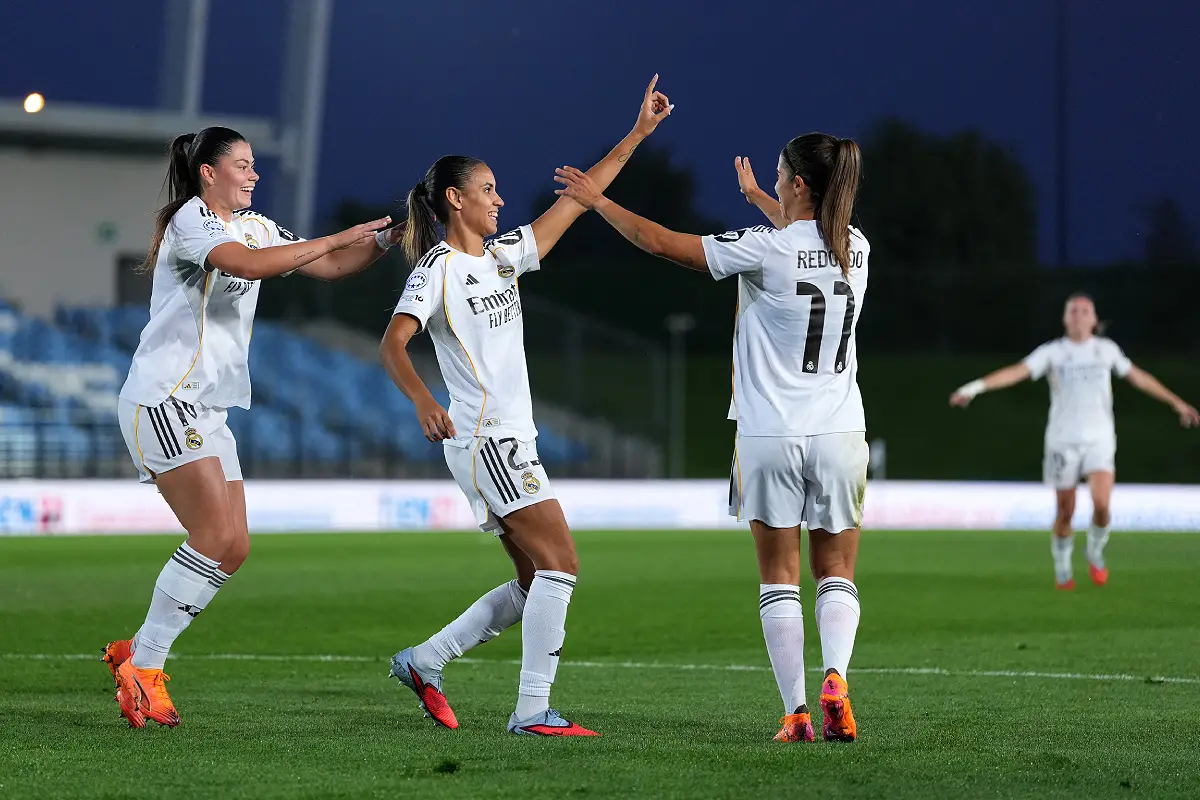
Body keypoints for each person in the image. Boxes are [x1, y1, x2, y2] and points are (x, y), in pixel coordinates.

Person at [379, 76, 672, 737]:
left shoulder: (507, 257)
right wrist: (425, 399)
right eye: (488, 190)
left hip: (510, 440)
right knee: (562, 564)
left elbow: (581, 200)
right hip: (489, 442)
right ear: (456, 199)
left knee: (535, 579)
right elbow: (394, 345)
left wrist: (638, 134)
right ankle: (533, 710)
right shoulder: (436, 270)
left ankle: (425, 661)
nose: (500, 199)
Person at [553, 135, 868, 744]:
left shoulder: (763, 251)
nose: (774, 182)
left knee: (779, 576)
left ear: (799, 184)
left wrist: (598, 202)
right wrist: (757, 199)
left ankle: (797, 713)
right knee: (837, 571)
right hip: (840, 430)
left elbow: (659, 242)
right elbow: (811, 237)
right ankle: (837, 678)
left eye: (779, 176)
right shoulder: (856, 248)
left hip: (768, 433)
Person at [103, 126, 401, 728]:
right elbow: (248, 266)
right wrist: (338, 234)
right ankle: (146, 668)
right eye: (241, 164)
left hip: (205, 408)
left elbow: (335, 265)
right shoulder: (194, 221)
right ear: (208, 173)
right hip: (163, 398)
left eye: (253, 165)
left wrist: (390, 237)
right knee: (214, 535)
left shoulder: (259, 224)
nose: (253, 173)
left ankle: (136, 650)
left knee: (234, 546)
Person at [950, 293, 1198, 588]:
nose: (1079, 315)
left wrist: (1177, 403)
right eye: (1073, 310)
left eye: (1085, 310)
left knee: (1102, 504)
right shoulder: (1053, 353)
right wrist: (975, 387)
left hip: (1099, 440)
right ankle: (1063, 567)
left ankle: (1094, 550)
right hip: (1062, 441)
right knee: (1065, 512)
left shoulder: (1105, 351)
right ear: (1065, 319)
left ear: (1094, 320)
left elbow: (1139, 378)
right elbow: (1017, 371)